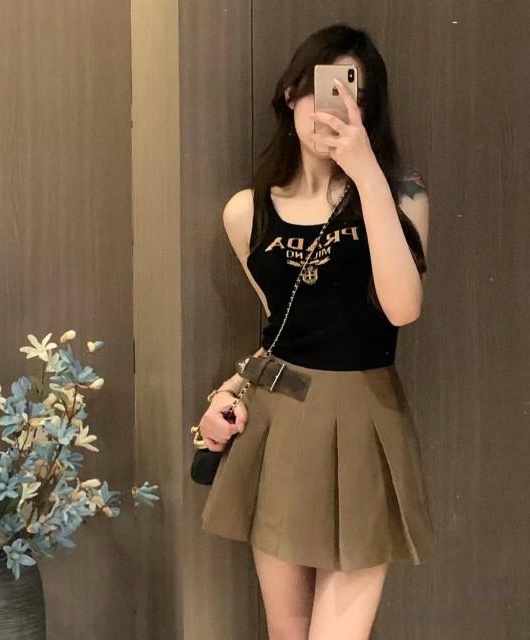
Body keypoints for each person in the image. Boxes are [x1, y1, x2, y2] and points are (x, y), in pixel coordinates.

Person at [197, 23, 435, 640]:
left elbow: (402, 308)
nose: (335, 107)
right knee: (287, 631)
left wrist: (366, 174)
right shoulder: (247, 211)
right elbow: (282, 332)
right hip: (279, 418)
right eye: (323, 89)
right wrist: (227, 394)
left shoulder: (402, 196)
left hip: (364, 414)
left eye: (355, 95)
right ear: (290, 93)